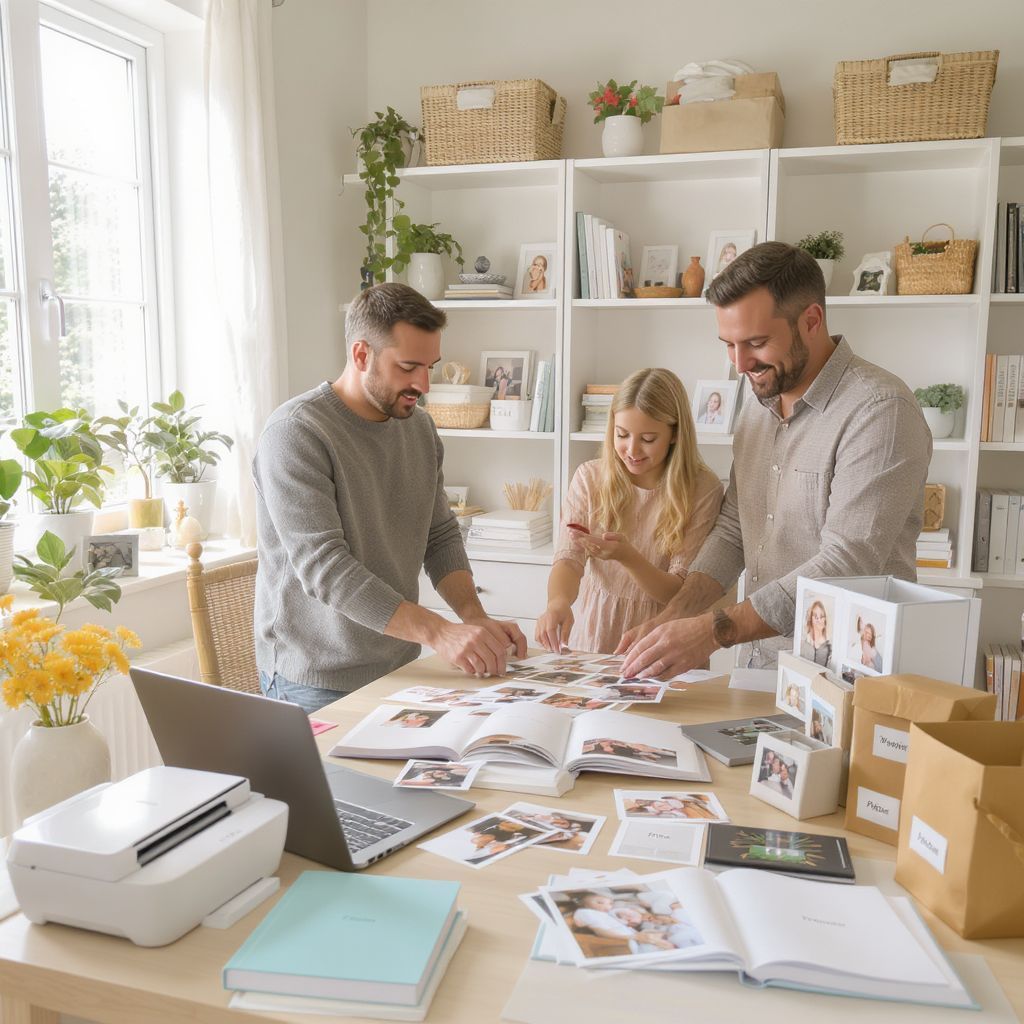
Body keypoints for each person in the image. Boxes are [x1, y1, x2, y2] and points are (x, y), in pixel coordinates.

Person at [618, 242, 932, 680]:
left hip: (851, 677)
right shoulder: (758, 401)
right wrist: (673, 615)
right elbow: (735, 529)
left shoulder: (880, 410)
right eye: (728, 344)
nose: (741, 363)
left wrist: (713, 631)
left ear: (812, 320)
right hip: (761, 662)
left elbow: (847, 564)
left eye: (757, 343)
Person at [253, 283, 526, 713]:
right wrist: (440, 632)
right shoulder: (295, 434)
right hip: (316, 680)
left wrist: (474, 617)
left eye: (430, 366)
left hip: (401, 666)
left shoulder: (419, 429)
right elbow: (325, 568)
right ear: (361, 355)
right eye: (409, 367)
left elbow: (439, 536)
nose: (424, 384)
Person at [536, 367, 723, 655]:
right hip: (595, 633)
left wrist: (628, 557)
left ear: (675, 434)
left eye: (648, 439)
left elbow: (678, 594)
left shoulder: (702, 489)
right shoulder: (590, 478)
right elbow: (568, 558)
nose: (632, 450)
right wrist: (557, 603)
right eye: (622, 435)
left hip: (665, 639)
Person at [800, 599, 832, 666]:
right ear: (811, 619)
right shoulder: (804, 640)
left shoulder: (829, 646)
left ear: (825, 619)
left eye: (821, 616)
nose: (819, 620)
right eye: (815, 616)